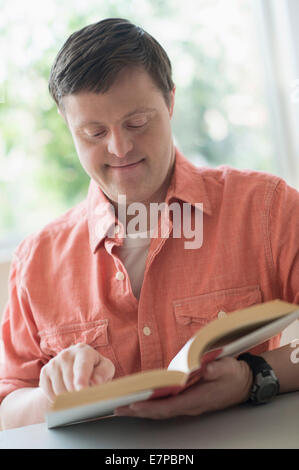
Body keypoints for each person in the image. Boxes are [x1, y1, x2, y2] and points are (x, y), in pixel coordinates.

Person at [1, 18, 299, 430]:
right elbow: (8, 405)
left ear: (170, 102)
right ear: (68, 128)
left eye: (137, 123)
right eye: (93, 132)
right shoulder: (36, 260)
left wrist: (253, 375)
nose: (119, 148)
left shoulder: (267, 209)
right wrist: (49, 396)